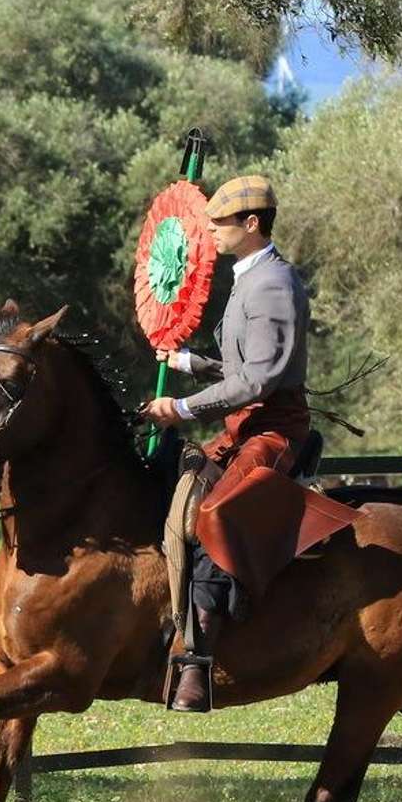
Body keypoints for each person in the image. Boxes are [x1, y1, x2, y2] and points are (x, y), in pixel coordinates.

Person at [141, 175, 311, 712]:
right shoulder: (248, 278)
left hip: (274, 428)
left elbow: (261, 381)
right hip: (242, 424)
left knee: (217, 512)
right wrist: (194, 364)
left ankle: (198, 659)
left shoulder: (274, 285)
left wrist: (183, 407)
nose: (208, 231)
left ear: (252, 224)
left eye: (219, 223)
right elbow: (244, 368)